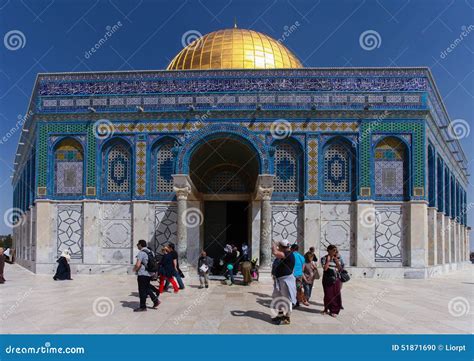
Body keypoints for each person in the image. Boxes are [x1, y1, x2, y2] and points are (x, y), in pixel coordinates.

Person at [271, 239, 296, 325]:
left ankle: (287, 318)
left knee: (287, 299)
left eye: (280, 247)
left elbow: (274, 252)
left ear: (282, 247)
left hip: (286, 280)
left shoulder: (288, 254)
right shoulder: (286, 253)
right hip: (280, 280)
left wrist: (275, 243)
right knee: (279, 298)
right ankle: (280, 315)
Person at [132, 240, 160, 312]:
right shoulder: (151, 252)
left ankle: (143, 307)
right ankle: (155, 301)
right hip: (149, 273)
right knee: (147, 287)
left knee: (142, 290)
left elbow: (138, 264)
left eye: (138, 244)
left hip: (142, 274)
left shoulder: (141, 253)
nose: (137, 245)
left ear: (140, 245)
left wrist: (134, 270)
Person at [321, 244, 343, 317]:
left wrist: (336, 261)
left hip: (336, 278)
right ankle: (326, 308)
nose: (335, 251)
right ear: (329, 250)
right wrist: (328, 260)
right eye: (333, 250)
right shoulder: (324, 258)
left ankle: (334, 310)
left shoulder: (338, 258)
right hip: (327, 279)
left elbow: (340, 269)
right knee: (328, 294)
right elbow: (325, 269)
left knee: (336, 295)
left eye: (335, 250)